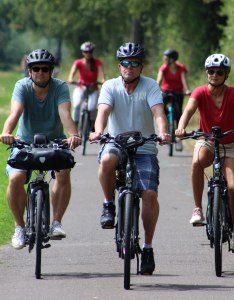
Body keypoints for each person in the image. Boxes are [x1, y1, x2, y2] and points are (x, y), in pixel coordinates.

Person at [89, 42, 171, 275]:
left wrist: (163, 132)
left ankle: (147, 247)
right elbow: (102, 113)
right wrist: (98, 131)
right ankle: (108, 205)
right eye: (125, 63)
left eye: (135, 63)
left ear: (141, 67)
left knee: (150, 195)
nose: (129, 67)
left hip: (144, 147)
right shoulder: (110, 86)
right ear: (119, 65)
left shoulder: (151, 86)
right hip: (116, 142)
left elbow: (159, 114)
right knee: (107, 161)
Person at [0, 49, 82, 250]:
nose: (40, 73)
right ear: (29, 71)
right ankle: (19, 227)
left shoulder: (60, 87)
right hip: (25, 142)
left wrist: (73, 134)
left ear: (51, 71)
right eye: (36, 69)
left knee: (63, 173)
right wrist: (7, 132)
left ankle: (56, 222)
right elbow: (15, 112)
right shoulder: (22, 86)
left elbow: (65, 114)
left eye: (45, 69)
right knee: (15, 179)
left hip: (55, 142)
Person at [175, 53, 234, 253]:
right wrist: (181, 127)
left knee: (233, 187)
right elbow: (188, 111)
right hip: (207, 140)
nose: (214, 75)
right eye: (211, 71)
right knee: (196, 163)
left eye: (219, 72)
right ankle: (198, 209)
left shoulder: (233, 93)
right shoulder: (200, 92)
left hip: (229, 143)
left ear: (226, 74)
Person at [156, 49, 190, 151]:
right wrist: (155, 89)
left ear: (172, 59)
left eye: (166, 58)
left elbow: (184, 80)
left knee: (178, 114)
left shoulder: (181, 68)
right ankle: (165, 131)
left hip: (178, 92)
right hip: (166, 91)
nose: (164, 59)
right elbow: (159, 80)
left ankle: (179, 140)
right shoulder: (164, 68)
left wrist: (187, 90)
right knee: (161, 110)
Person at [67, 41, 106, 127]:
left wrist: (103, 80)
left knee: (92, 108)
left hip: (93, 88)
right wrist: (70, 78)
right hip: (81, 87)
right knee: (76, 105)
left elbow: (101, 72)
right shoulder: (78, 62)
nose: (88, 54)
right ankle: (75, 126)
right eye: (86, 52)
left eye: (90, 51)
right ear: (83, 52)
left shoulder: (97, 62)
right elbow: (72, 72)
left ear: (93, 52)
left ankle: (93, 126)